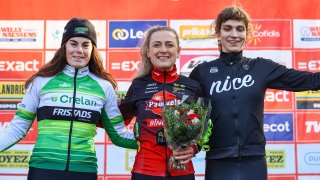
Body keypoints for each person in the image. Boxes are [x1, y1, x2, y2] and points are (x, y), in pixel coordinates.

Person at [189, 6, 320, 180]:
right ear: (218, 33)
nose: (234, 34)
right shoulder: (202, 72)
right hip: (218, 160)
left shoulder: (261, 68)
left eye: (240, 29)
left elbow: (310, 81)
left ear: (247, 34)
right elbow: (186, 115)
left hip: (254, 161)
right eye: (227, 28)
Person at [0, 18, 137, 180]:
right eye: (73, 43)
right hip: (43, 168)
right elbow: (17, 128)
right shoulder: (42, 81)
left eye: (85, 45)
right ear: (64, 46)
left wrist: (163, 138)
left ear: (93, 49)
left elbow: (119, 135)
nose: (79, 50)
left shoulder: (104, 86)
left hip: (84, 170)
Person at [118, 26, 202, 180]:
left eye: (169, 45)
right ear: (148, 52)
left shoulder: (192, 86)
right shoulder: (138, 85)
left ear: (178, 51)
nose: (163, 50)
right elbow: (116, 121)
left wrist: (195, 147)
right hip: (145, 171)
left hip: (182, 171)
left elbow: (205, 126)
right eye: (157, 45)